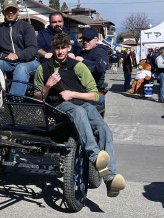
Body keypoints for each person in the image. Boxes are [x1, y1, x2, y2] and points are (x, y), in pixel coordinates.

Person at [33, 32, 125, 197]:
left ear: (69, 48)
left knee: (103, 129)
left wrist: (74, 94)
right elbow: (38, 97)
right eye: (57, 48)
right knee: (78, 111)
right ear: (53, 48)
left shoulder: (78, 66)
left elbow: (95, 95)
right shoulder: (43, 69)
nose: (60, 51)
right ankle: (95, 155)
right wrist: (48, 85)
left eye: (64, 48)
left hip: (82, 102)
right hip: (59, 105)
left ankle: (110, 178)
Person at [0, 0, 39, 95]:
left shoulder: (26, 27)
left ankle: (14, 104)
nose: (10, 12)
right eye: (8, 10)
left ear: (18, 11)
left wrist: (18, 55)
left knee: (21, 68)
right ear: (3, 12)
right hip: (7, 62)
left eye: (13, 10)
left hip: (30, 62)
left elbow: (32, 49)